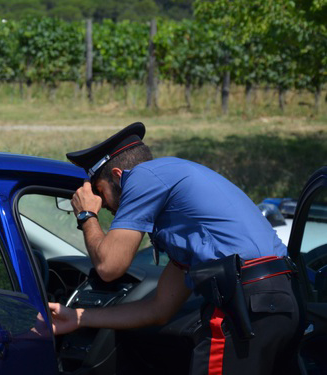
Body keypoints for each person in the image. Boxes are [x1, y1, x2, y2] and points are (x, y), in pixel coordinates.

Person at [48, 122, 304, 375]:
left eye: (99, 192)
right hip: (281, 304)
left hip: (244, 303)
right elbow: (159, 310)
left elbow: (109, 267)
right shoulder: (185, 215)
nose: (102, 204)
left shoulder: (142, 176)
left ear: (117, 175)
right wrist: (78, 317)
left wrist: (86, 216)